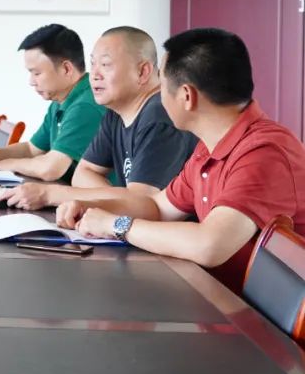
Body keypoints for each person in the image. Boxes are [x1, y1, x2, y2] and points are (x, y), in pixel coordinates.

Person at [58, 28, 305, 294]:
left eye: (162, 86)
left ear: (187, 96)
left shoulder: (264, 152)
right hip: (223, 298)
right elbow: (157, 207)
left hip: (260, 316)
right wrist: (91, 207)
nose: (158, 96)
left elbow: (210, 245)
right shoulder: (208, 148)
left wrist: (115, 225)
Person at [1, 27, 196, 210]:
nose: (94, 75)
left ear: (143, 71)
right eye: (93, 64)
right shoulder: (116, 112)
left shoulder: (160, 116)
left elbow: (142, 203)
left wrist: (51, 194)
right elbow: (82, 174)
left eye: (105, 65)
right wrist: (120, 197)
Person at [0, 24, 104, 182]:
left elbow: (50, 168)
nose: (31, 82)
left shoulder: (85, 106)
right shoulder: (61, 101)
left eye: (37, 73)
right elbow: (32, 150)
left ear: (66, 69)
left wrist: (7, 164)